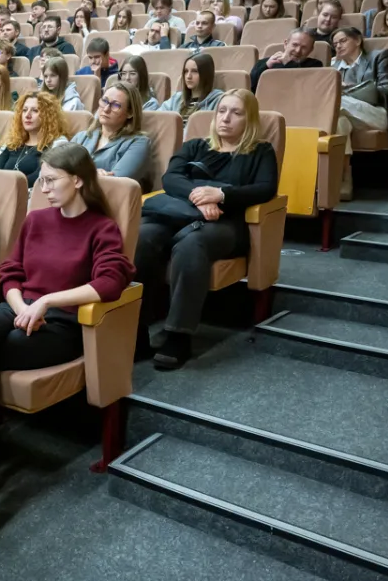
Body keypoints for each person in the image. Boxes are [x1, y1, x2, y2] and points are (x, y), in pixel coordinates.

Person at [0, 143, 134, 497]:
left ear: (79, 181)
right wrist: (21, 305)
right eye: (42, 180)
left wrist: (47, 302)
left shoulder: (101, 228)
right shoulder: (36, 219)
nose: (44, 188)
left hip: (62, 324)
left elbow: (111, 282)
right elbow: (10, 272)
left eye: (52, 180)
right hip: (19, 309)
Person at [135, 89, 278, 369]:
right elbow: (171, 178)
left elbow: (265, 188)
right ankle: (136, 330)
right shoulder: (196, 146)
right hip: (181, 213)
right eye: (222, 111)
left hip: (227, 225)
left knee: (192, 245)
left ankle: (178, 335)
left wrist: (222, 195)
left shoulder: (260, 151)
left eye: (236, 113)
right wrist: (200, 197)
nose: (226, 118)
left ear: (248, 119)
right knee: (142, 237)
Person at [331, 27, 388, 200]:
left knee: (333, 104)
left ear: (358, 40)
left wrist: (348, 89)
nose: (338, 46)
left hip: (375, 114)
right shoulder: (333, 66)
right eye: (335, 44)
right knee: (339, 122)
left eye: (343, 41)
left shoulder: (380, 56)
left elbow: (387, 90)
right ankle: (345, 178)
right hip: (346, 113)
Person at [71, 82, 152, 189]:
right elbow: (58, 167)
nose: (106, 109)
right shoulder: (82, 137)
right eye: (104, 101)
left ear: (130, 113)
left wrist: (75, 173)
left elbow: (114, 183)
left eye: (115, 105)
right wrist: (93, 174)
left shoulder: (138, 143)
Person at [0, 92, 68, 188]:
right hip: (3, 193)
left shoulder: (57, 144)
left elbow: (40, 179)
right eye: (24, 110)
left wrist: (9, 187)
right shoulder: (13, 141)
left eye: (35, 111)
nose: (27, 115)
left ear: (48, 116)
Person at [147, 53, 225, 120]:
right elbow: (157, 117)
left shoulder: (218, 100)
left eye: (195, 71)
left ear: (206, 74)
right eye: (186, 71)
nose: (188, 76)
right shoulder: (177, 98)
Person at [250, 28, 324, 92]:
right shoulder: (264, 63)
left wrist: (288, 62)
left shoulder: (315, 65)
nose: (298, 50)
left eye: (304, 48)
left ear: (311, 50)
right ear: (286, 44)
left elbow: (302, 87)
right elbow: (251, 87)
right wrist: (266, 66)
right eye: (295, 45)